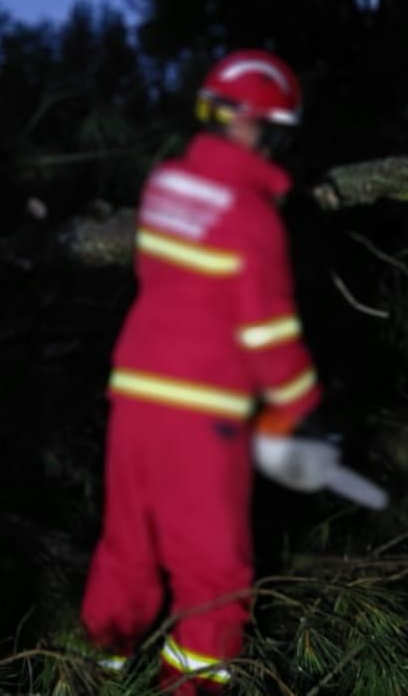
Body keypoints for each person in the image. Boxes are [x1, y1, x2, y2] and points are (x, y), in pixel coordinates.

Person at [80, 49, 324, 694]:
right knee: (215, 576)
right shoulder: (252, 216)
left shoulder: (167, 185)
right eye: (277, 132)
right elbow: (267, 331)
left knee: (128, 545)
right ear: (256, 125)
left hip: (135, 392)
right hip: (200, 408)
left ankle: (91, 675)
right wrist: (302, 404)